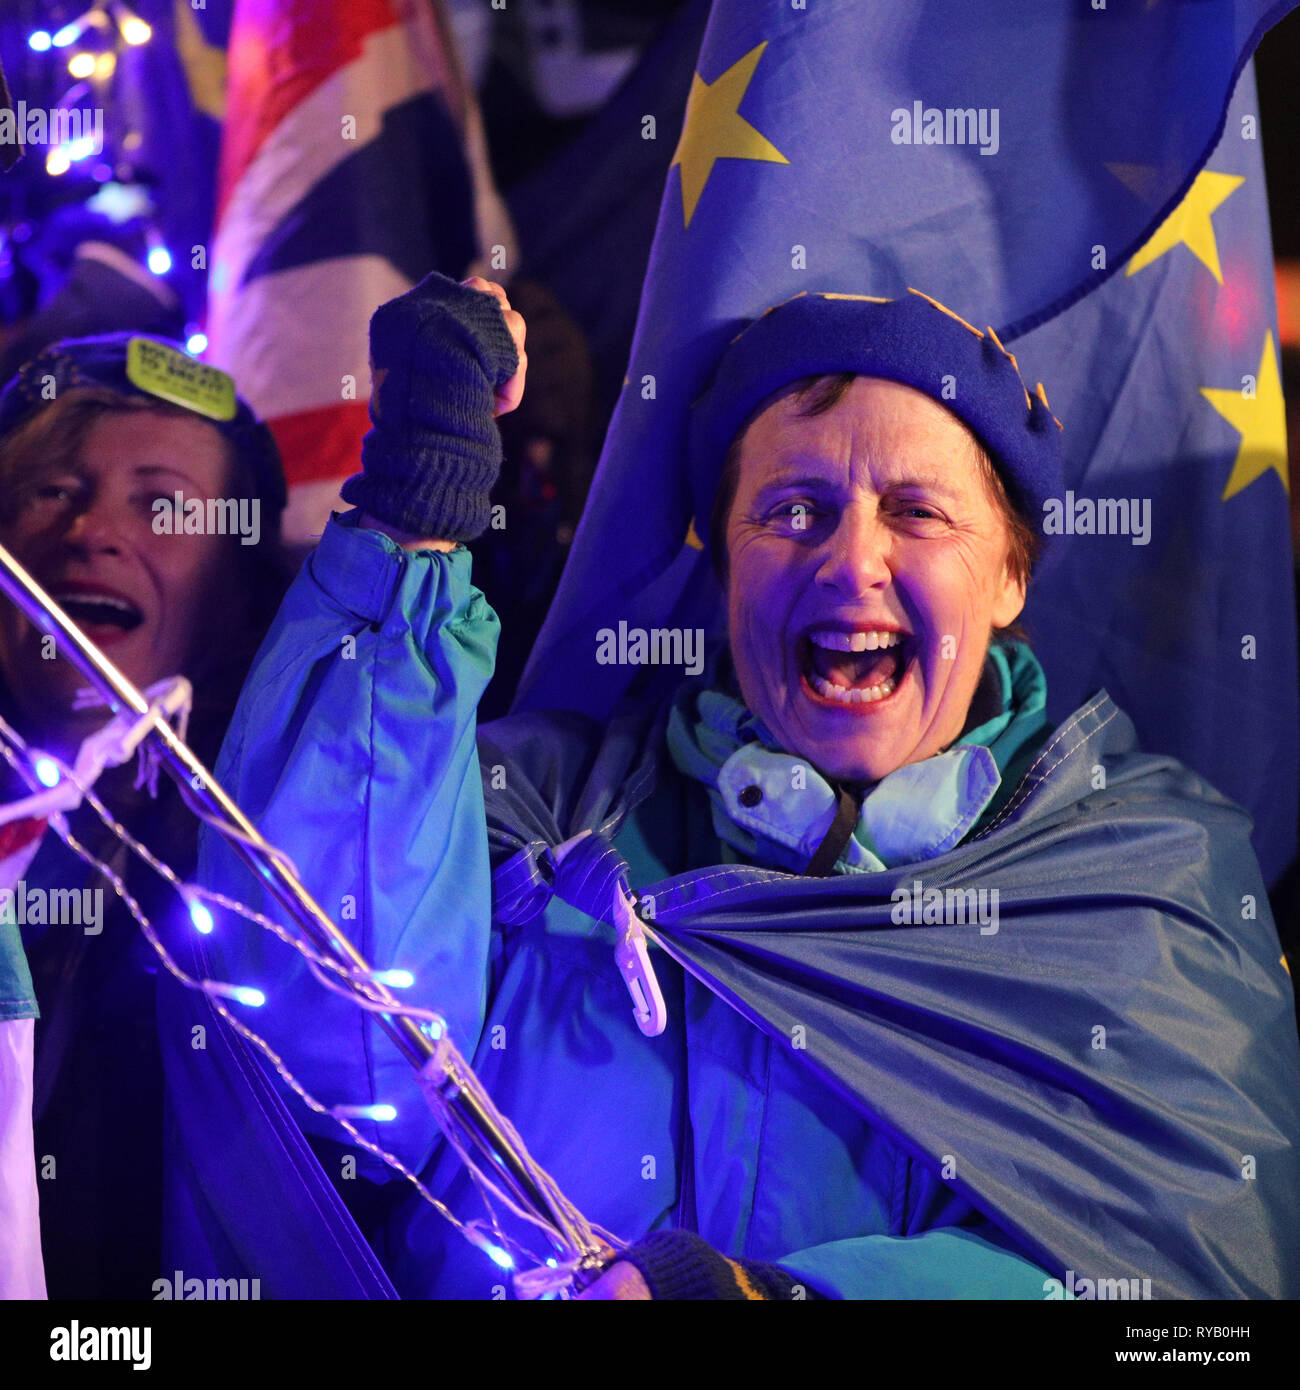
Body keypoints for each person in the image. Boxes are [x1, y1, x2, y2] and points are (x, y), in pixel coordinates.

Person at [184, 272, 1300, 1300]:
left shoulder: (1146, 880)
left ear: (1009, 572)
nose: (851, 561)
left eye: (916, 512)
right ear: (722, 565)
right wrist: (411, 521)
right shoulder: (534, 815)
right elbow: (317, 1060)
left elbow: (1188, 1294)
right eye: (791, 511)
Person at [0, 333, 289, 1298]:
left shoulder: (280, 860)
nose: (90, 532)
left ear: (241, 596)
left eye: (161, 504)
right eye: (49, 490)